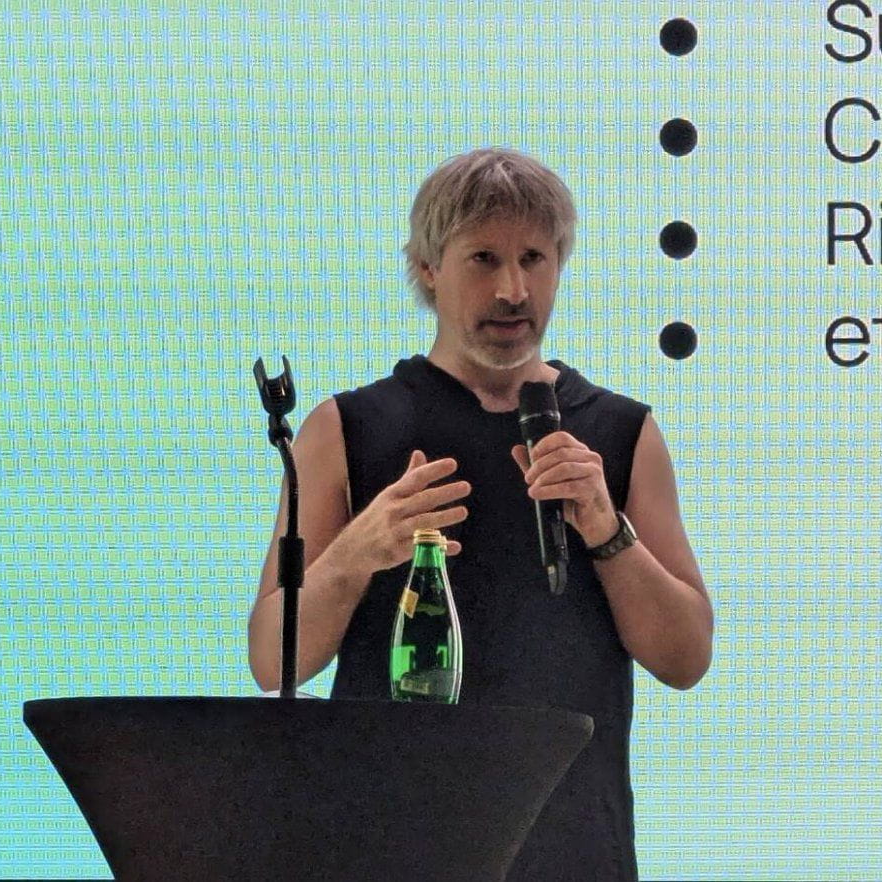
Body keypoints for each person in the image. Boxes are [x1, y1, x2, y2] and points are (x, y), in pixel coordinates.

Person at [248, 146, 713, 881]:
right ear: (428, 268)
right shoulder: (344, 430)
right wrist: (359, 549)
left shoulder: (621, 432)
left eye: (534, 258)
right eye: (484, 259)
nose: (513, 289)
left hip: (571, 850)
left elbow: (686, 660)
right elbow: (273, 661)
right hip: (387, 846)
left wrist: (606, 530)